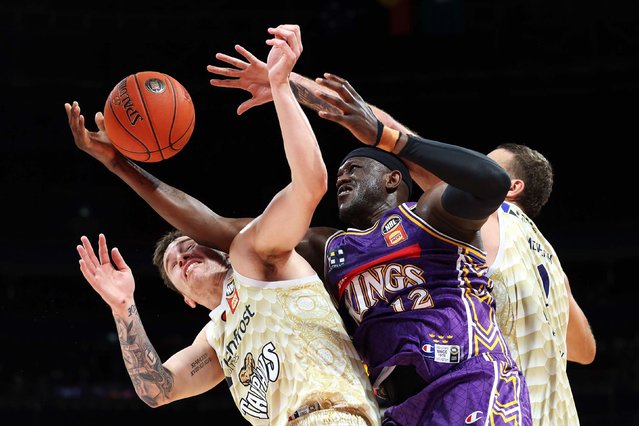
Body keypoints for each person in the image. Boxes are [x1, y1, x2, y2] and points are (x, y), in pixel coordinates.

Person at [69, 24, 531, 425]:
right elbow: (212, 232)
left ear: (395, 179)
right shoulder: (330, 250)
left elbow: (488, 181)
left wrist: (375, 132)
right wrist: (119, 166)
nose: (344, 176)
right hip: (401, 409)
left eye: (358, 166)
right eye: (343, 169)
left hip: (466, 380)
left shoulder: (429, 217)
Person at [71, 26, 380, 426]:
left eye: (189, 246)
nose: (185, 256)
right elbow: (158, 390)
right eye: (174, 265)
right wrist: (123, 307)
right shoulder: (216, 337)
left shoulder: (257, 259)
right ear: (186, 299)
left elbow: (310, 184)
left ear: (217, 250)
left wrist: (282, 87)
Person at [481, 143, 596, 425]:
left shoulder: (490, 217)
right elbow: (585, 351)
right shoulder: (552, 262)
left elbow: (427, 168)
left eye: (486, 167)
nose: (475, 171)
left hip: (509, 412)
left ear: (512, 187)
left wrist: (386, 135)